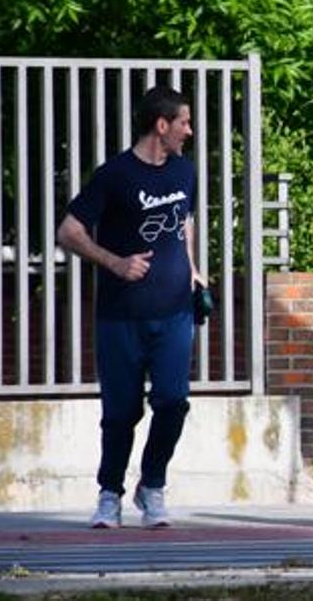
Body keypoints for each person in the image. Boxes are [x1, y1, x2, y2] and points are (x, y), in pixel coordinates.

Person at [57, 85, 203, 529]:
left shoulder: (185, 173)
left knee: (174, 401)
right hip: (121, 316)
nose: (189, 131)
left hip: (176, 311)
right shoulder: (115, 175)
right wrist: (115, 262)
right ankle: (109, 494)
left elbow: (185, 222)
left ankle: (152, 485)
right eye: (183, 122)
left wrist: (193, 269)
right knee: (121, 412)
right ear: (162, 125)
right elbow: (68, 230)